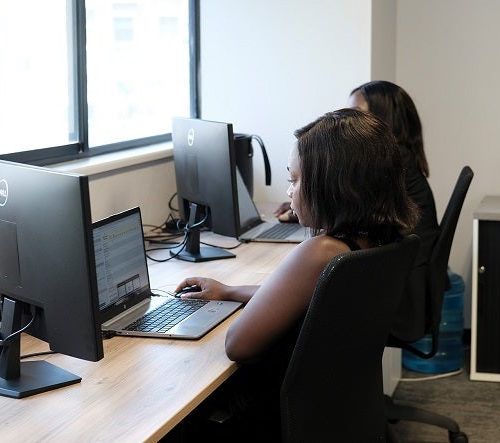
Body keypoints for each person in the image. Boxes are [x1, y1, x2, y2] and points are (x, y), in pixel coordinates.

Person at [170, 108, 419, 441]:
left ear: (332, 186)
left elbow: (238, 345)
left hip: (277, 420)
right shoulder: (379, 239)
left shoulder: (320, 252)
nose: (289, 192)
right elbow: (310, 299)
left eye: (295, 180)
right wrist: (229, 291)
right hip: (335, 416)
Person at [279, 80, 439, 342]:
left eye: (356, 113)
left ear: (381, 118)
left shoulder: (390, 161)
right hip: (401, 289)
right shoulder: (399, 160)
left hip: (400, 299)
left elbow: (239, 344)